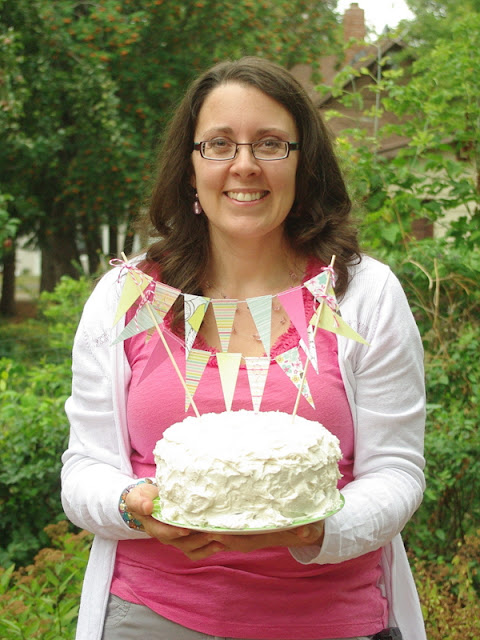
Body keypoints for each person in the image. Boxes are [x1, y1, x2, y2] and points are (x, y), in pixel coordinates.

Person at [61, 57, 426, 640]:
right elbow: (84, 468)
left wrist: (315, 530)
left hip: (329, 619)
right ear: (190, 167)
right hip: (151, 615)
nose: (245, 164)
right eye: (219, 144)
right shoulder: (125, 297)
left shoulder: (365, 294)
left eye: (271, 144)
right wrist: (133, 505)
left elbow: (396, 471)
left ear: (304, 163)